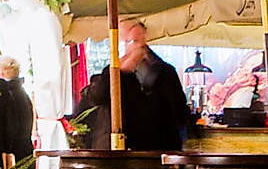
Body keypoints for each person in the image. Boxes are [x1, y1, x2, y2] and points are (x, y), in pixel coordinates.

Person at [73, 19, 195, 152]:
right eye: (129, 40)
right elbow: (97, 97)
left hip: (156, 151)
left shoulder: (164, 71)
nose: (135, 45)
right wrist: (123, 69)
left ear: (145, 39)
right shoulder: (113, 72)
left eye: (137, 39)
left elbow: (179, 110)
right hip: (116, 150)